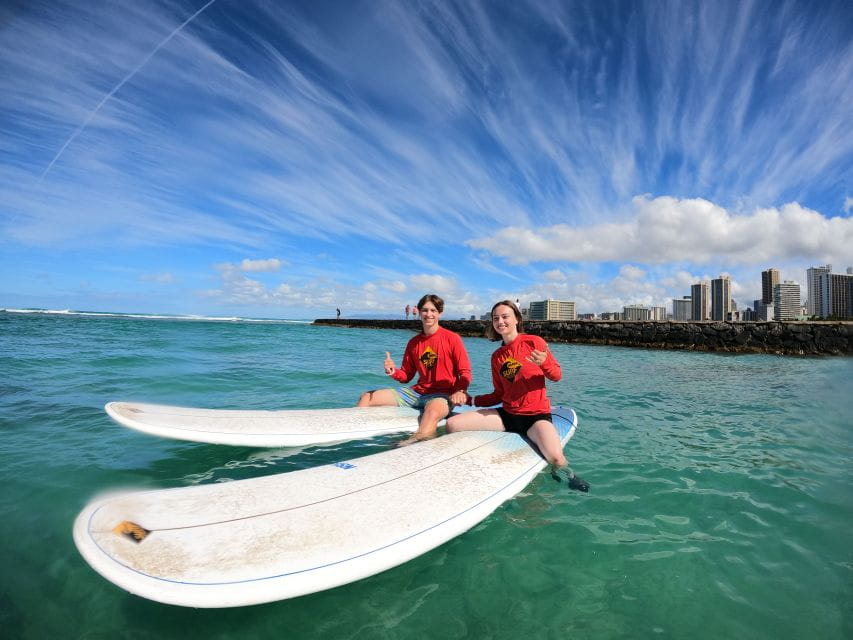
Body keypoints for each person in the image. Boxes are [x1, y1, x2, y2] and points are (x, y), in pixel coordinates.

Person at [447, 300, 588, 490]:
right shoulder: (497, 356)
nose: (500, 321)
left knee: (556, 458)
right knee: (453, 424)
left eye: (505, 316)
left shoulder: (533, 342)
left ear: (516, 319)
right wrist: (470, 399)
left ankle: (570, 476)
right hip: (508, 415)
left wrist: (544, 363)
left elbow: (557, 376)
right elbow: (499, 394)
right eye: (496, 318)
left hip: (535, 418)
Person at [357, 294, 471, 446]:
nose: (428, 314)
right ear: (418, 312)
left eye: (433, 310)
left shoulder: (452, 338)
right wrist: (393, 371)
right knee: (367, 396)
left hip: (442, 395)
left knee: (431, 413)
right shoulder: (414, 342)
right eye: (425, 310)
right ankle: (354, 429)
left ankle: (413, 443)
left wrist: (460, 391)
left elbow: (465, 372)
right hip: (416, 393)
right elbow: (406, 375)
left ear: (440, 313)